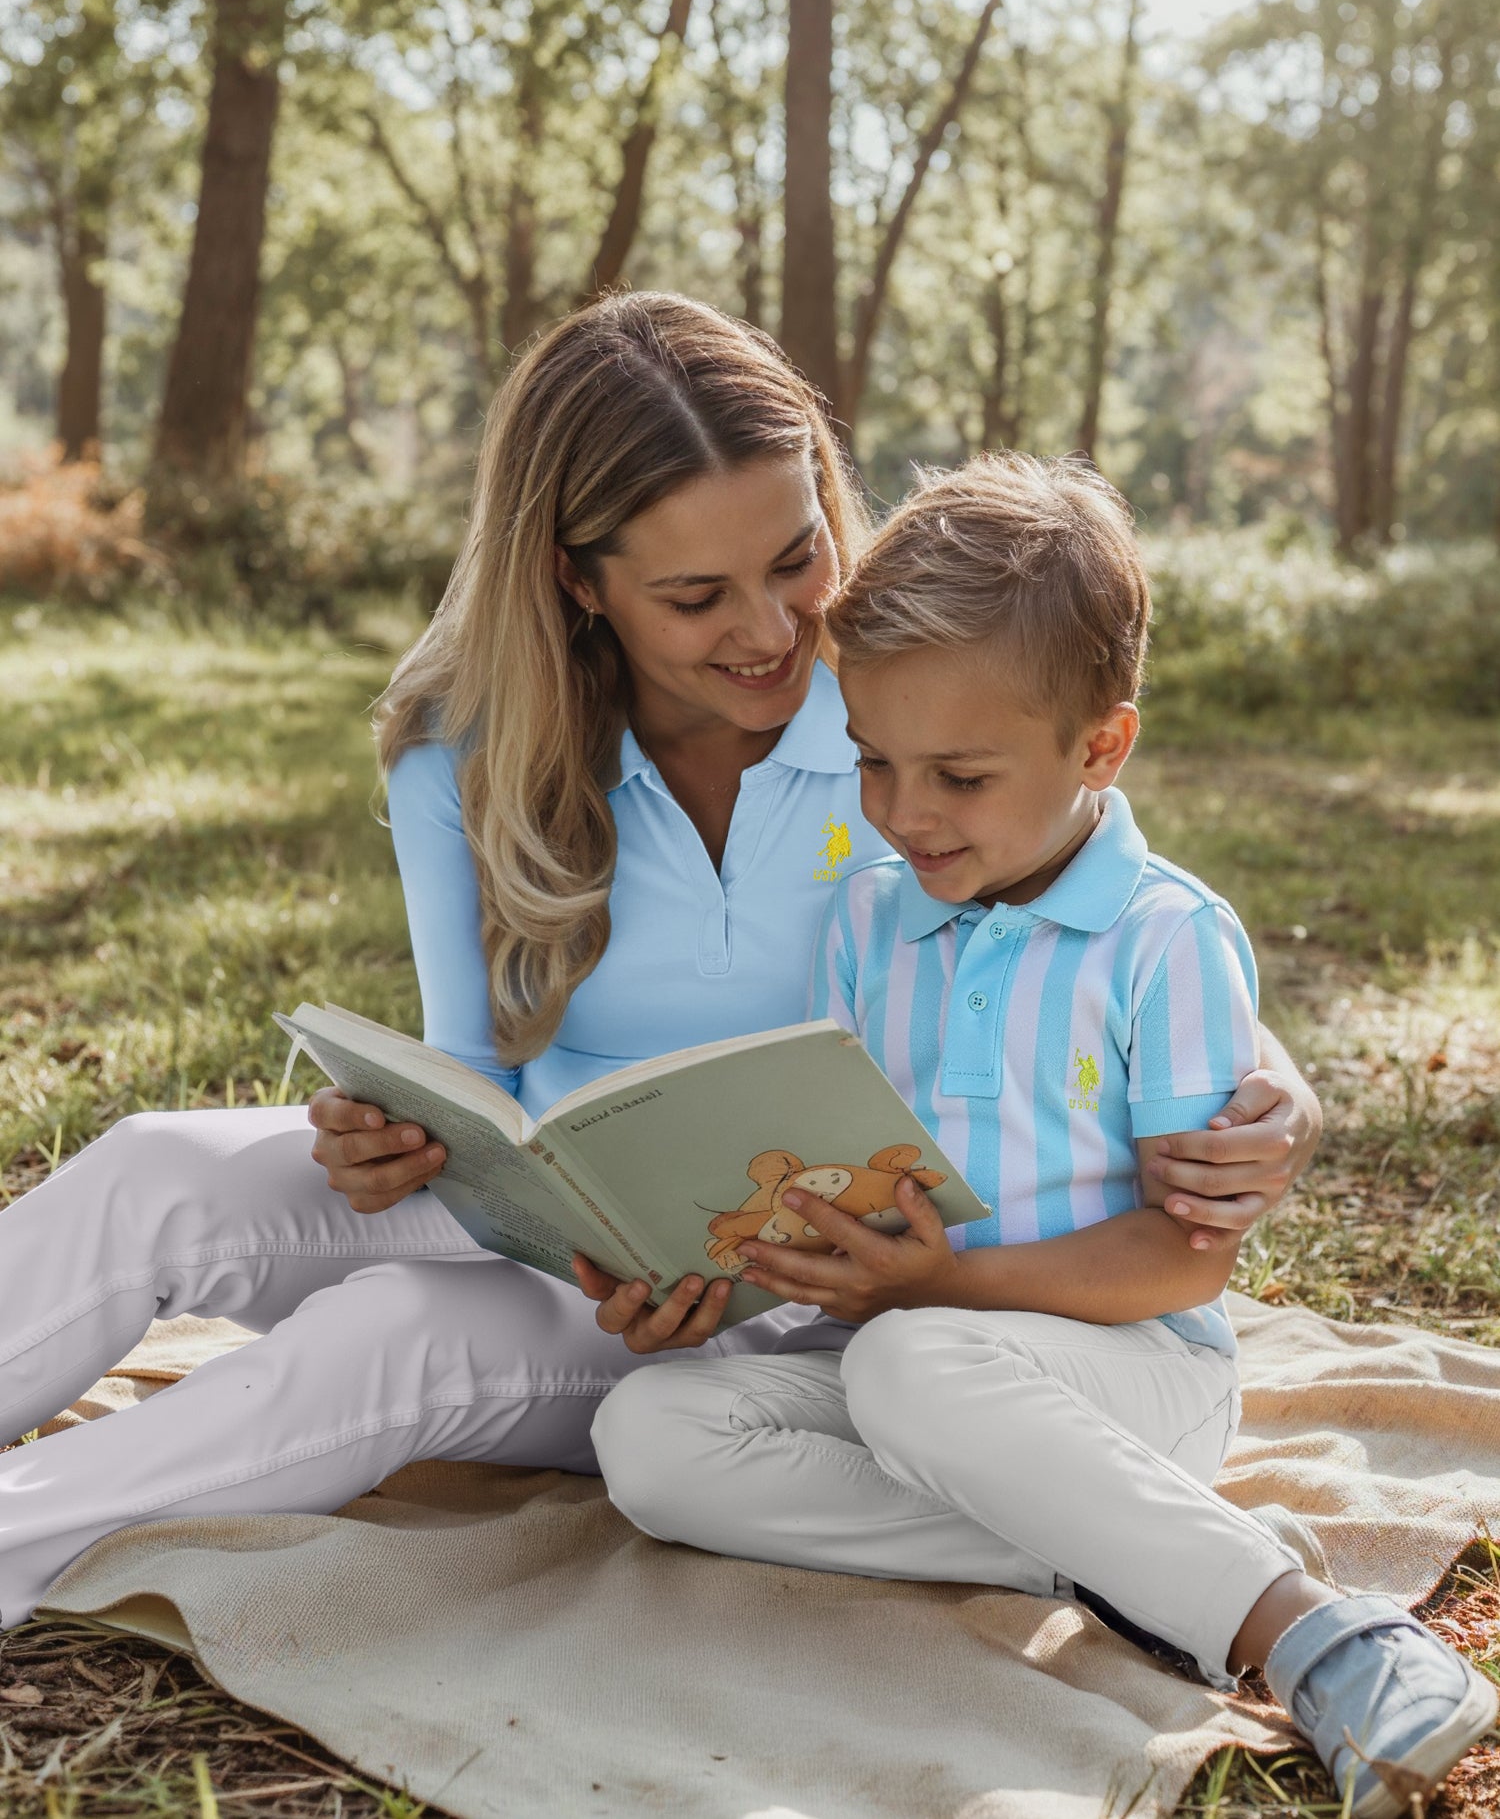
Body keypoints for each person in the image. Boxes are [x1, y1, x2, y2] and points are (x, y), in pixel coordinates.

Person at [0, 297, 1317, 1631]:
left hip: (776, 1292)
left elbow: (1094, 902)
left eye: (795, 558)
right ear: (581, 580)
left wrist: (1279, 1085)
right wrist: (390, 1136)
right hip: (553, 1215)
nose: (771, 631)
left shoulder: (895, 710)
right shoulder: (460, 751)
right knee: (155, 1171)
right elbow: (470, 1069)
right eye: (695, 596)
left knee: (391, 1333)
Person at [588, 454, 1496, 1819]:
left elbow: (1180, 1267)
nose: (902, 816)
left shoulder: (1165, 939)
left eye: (957, 775)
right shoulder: (869, 923)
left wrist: (925, 1288)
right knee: (651, 1439)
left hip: (1130, 1373)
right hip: (912, 1368)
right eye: (875, 763)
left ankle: (1314, 1632)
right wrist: (728, 1255)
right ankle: (1106, 1548)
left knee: (908, 1363)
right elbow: (841, 1171)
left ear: (1100, 748)